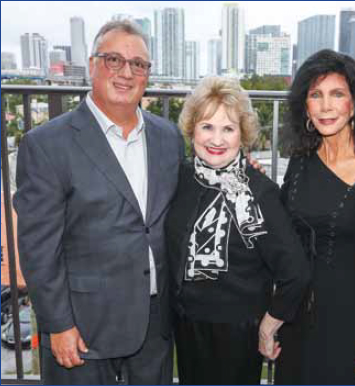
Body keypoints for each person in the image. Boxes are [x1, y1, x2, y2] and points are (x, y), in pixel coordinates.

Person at [14, 20, 184, 384]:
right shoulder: (46, 145)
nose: (126, 72)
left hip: (154, 325)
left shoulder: (168, 138)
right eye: (113, 60)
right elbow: (37, 249)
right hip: (83, 328)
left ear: (147, 75)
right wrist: (58, 324)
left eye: (138, 64)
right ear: (92, 65)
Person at [164, 76, 310, 385]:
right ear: (192, 130)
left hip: (237, 332)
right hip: (186, 324)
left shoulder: (257, 193)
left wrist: (268, 327)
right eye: (207, 127)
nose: (216, 139)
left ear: (242, 135)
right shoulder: (181, 179)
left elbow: (295, 271)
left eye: (228, 128)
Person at [274, 49, 355, 385]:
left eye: (337, 94)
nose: (326, 106)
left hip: (346, 319)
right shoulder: (300, 161)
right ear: (305, 105)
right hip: (293, 313)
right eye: (316, 95)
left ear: (354, 102)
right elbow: (279, 229)